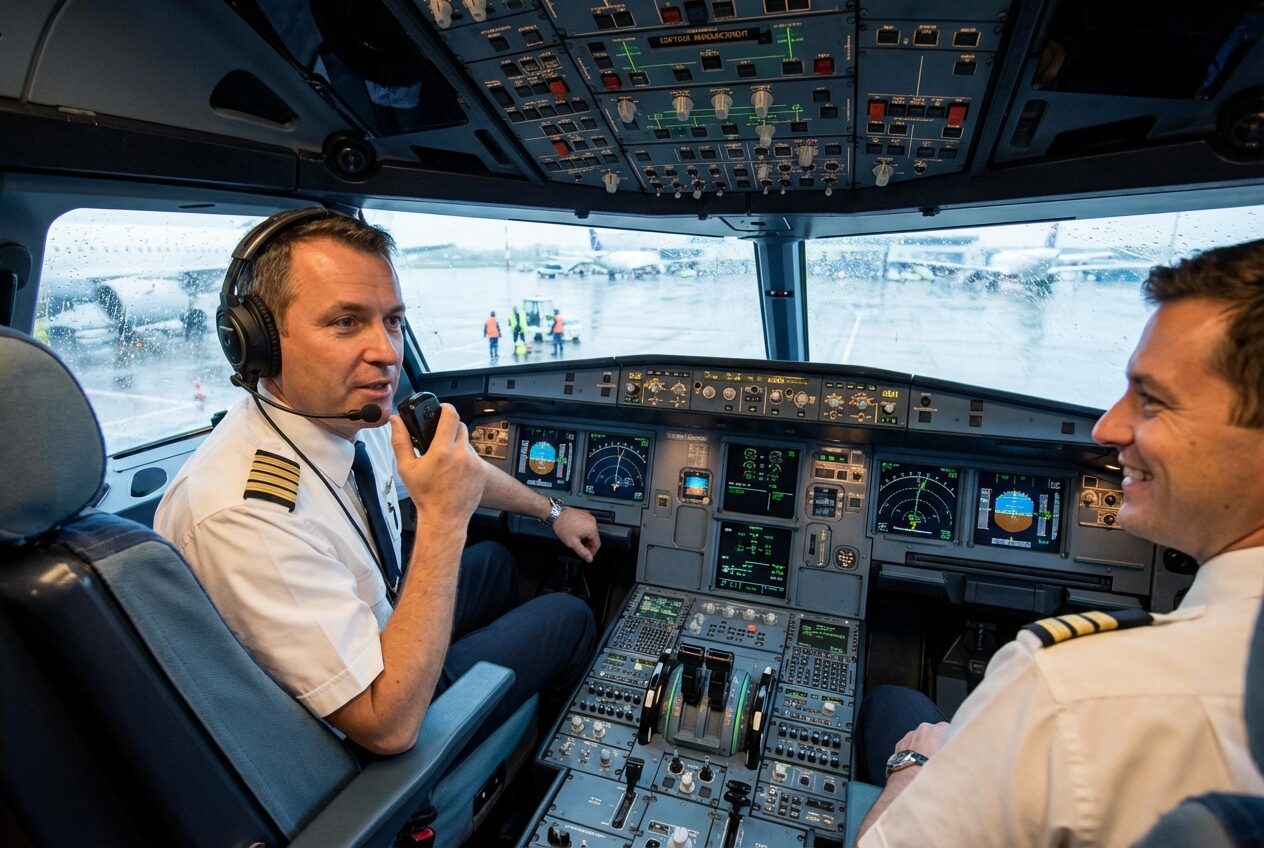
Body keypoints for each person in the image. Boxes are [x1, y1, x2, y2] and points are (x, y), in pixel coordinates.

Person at [856, 238, 1264, 847]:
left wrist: (914, 767)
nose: (1107, 428)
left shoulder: (1065, 690)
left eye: (1153, 402)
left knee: (896, 710)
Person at [155, 210, 600, 756]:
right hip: (370, 724)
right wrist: (443, 521)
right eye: (346, 322)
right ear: (258, 343)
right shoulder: (245, 515)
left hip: (376, 628)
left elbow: (457, 472)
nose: (389, 352)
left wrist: (552, 512)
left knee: (499, 563)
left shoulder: (346, 416)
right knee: (570, 618)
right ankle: (536, 771)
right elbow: (384, 726)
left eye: (392, 320)